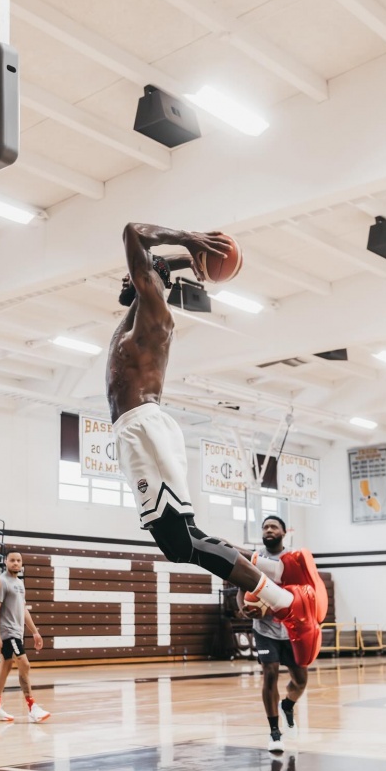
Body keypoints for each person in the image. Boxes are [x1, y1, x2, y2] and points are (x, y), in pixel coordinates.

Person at [106, 222, 325, 646]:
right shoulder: (137, 317)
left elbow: (132, 231)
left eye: (139, 276)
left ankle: (285, 602)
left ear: (150, 282)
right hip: (137, 430)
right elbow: (150, 270)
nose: (131, 279)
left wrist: (187, 242)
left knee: (178, 544)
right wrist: (185, 261)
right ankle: (276, 572)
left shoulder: (155, 316)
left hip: (143, 429)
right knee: (188, 539)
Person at [242, 515, 309, 755]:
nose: (269, 530)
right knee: (269, 673)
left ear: (283, 532)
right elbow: (242, 585)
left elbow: (307, 589)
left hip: (293, 628)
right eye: (265, 527)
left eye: (274, 526)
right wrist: (244, 608)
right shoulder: (254, 559)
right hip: (265, 629)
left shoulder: (294, 559)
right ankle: (274, 732)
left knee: (300, 680)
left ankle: (288, 706)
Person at [0, 549, 51, 724]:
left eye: (18, 561)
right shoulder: (1, 582)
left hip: (17, 633)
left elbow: (23, 610)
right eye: (12, 560)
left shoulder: (20, 583)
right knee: (24, 663)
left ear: (22, 564)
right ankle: (32, 707)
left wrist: (35, 632)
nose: (15, 563)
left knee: (5, 668)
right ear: (5, 562)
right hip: (8, 633)